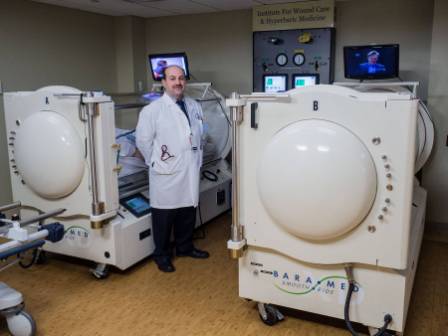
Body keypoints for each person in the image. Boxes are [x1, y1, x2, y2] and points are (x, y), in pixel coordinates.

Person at [136, 65, 209, 273]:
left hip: (189, 168)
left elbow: (200, 131)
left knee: (187, 211)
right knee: (164, 216)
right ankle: (162, 254)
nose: (178, 82)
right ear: (164, 82)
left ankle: (185, 247)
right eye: (172, 78)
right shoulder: (152, 110)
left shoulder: (194, 105)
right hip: (166, 172)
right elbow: (143, 141)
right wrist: (157, 162)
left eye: (181, 78)